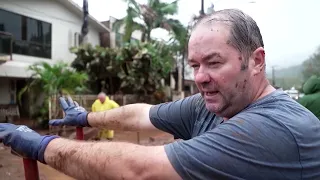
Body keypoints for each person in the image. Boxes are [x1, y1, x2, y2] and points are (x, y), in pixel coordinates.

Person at [1, 9, 320, 180]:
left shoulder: (275, 130)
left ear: (256, 61)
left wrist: (43, 145)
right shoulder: (213, 105)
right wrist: (85, 117)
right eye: (194, 64)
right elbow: (142, 114)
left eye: (213, 62)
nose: (200, 77)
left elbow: (140, 169)